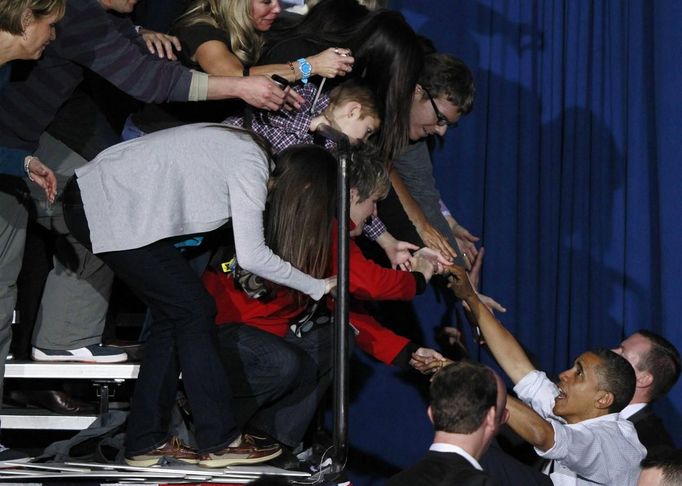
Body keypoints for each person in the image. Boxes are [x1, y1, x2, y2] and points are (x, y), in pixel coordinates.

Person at [0, 0, 293, 367]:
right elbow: (148, 80)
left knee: (103, 209)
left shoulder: (106, 18)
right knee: (92, 214)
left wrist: (139, 34)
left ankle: (65, 337)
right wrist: (240, 86)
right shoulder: (75, 13)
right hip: (13, 147)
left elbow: (147, 62)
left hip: (25, 145)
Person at [61, 123, 335, 467]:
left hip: (98, 201)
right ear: (306, 187)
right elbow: (253, 256)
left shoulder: (242, 153)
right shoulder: (251, 162)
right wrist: (319, 285)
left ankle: (146, 441)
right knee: (195, 310)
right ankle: (220, 440)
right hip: (102, 203)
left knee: (176, 316)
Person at [203, 143, 447, 456]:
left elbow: (346, 311)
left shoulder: (322, 230)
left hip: (263, 337)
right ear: (352, 192)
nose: (374, 214)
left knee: (335, 338)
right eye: (373, 203)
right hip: (224, 332)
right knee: (283, 361)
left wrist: (407, 352)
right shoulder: (320, 226)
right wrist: (421, 276)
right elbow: (369, 283)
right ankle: (212, 429)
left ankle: (267, 442)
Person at [444, 264, 646, 485]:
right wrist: (471, 297)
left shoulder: (613, 444)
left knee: (482, 452)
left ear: (603, 398)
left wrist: (478, 381)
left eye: (578, 373)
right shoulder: (577, 412)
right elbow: (520, 368)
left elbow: (543, 436)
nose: (563, 374)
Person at [126, 0, 354, 136]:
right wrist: (309, 65)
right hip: (155, 134)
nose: (276, 9)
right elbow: (235, 77)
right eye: (266, 1)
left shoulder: (251, 29)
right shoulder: (199, 30)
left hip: (198, 135)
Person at [387, 361, 508, 486]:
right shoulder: (482, 483)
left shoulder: (394, 482)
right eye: (503, 412)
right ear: (490, 417)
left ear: (431, 414)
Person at [613, 330, 680, 455]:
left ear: (642, 379)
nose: (611, 352)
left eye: (622, 354)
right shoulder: (587, 410)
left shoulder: (652, 447)